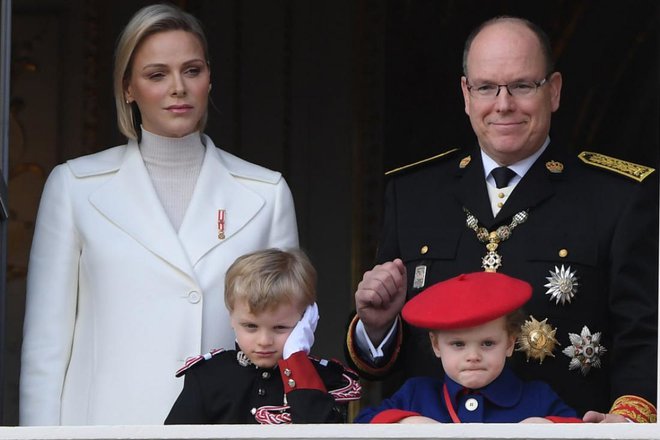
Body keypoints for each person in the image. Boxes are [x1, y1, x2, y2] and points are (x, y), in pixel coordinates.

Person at [346, 16, 657, 423]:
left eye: (522, 86)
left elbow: (645, 334)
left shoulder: (617, 196)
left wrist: (627, 420)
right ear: (466, 94)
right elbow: (379, 365)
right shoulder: (414, 194)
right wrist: (375, 328)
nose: (503, 103)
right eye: (487, 87)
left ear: (555, 91)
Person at [20, 4, 298, 425]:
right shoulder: (75, 186)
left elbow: (289, 339)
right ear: (128, 87)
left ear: (209, 78)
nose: (178, 88)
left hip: (225, 428)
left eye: (192, 70)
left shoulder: (267, 193)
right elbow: (46, 345)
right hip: (106, 427)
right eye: (156, 74)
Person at [165, 248, 361, 424]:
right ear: (231, 317)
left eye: (280, 327)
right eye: (251, 326)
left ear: (306, 321)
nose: (264, 341)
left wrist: (296, 361)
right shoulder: (208, 376)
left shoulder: (326, 379)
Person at [355, 272, 581, 424]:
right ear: (436, 345)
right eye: (458, 344)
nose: (473, 356)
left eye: (488, 343)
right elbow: (360, 426)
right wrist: (403, 422)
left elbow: (584, 433)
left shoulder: (538, 398)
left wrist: (547, 426)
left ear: (510, 343)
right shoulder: (416, 394)